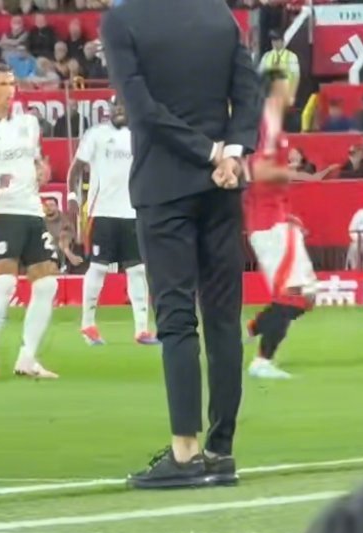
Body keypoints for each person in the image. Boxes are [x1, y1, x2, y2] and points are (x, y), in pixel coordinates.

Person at [103, 0, 261, 489]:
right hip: (222, 186)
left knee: (176, 317)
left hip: (165, 184)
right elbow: (248, 91)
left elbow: (143, 109)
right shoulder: (218, 14)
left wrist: (208, 152)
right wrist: (230, 153)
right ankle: (221, 449)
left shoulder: (122, 20)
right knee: (223, 317)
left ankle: (185, 451)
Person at [0, 64, 59, 380]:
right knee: (5, 282)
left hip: (32, 210)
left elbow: (37, 161)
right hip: (3, 210)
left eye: (12, 83)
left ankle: (27, 359)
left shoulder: (28, 123)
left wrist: (42, 170)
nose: (10, 90)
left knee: (47, 284)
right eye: (3, 84)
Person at [242, 70, 318, 381]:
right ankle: (262, 361)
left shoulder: (269, 124)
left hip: (276, 219)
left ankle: (253, 329)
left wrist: (288, 214)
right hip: (268, 223)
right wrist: (297, 174)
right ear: (275, 90)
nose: (292, 90)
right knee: (293, 294)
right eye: (287, 85)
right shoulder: (267, 124)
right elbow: (259, 171)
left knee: (307, 295)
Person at [69, 98, 156, 346]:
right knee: (98, 267)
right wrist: (72, 196)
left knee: (137, 270)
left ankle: (142, 330)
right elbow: (76, 169)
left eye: (123, 106)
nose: (119, 110)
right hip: (102, 212)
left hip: (132, 212)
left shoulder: (140, 136)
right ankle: (88, 325)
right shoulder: (96, 135)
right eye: (115, 106)